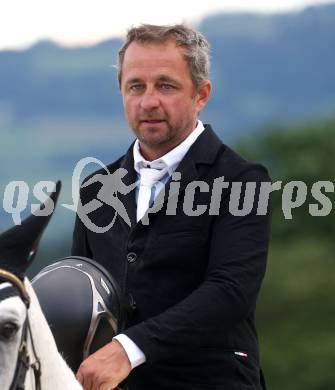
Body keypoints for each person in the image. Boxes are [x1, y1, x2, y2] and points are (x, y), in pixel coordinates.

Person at [72, 24, 271, 390]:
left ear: (201, 94)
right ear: (121, 92)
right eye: (136, 86)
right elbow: (82, 292)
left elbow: (230, 291)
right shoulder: (95, 190)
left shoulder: (243, 180)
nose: (148, 101)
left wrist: (128, 349)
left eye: (165, 85)